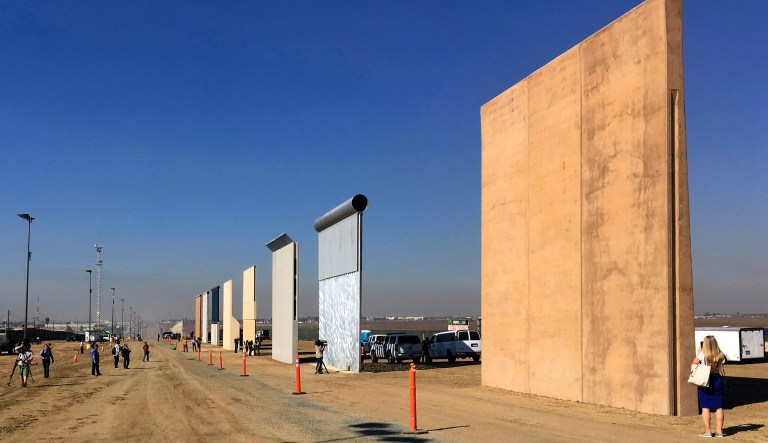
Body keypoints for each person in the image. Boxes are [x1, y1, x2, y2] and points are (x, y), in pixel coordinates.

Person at [693, 335, 727, 438]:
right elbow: (724, 361)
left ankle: (708, 431)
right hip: (716, 379)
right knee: (718, 406)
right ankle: (719, 431)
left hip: (705, 379)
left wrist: (699, 352)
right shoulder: (720, 354)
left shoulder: (702, 354)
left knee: (705, 407)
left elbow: (694, 363)